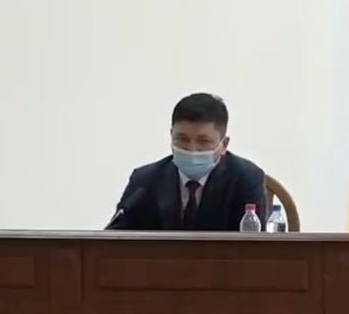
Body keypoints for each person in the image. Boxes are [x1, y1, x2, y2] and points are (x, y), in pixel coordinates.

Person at [106, 93, 267, 231]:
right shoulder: (144, 180)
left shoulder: (246, 178)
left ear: (224, 144)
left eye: (204, 141)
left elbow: (251, 247)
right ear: (171, 135)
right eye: (182, 139)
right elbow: (117, 237)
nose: (192, 149)